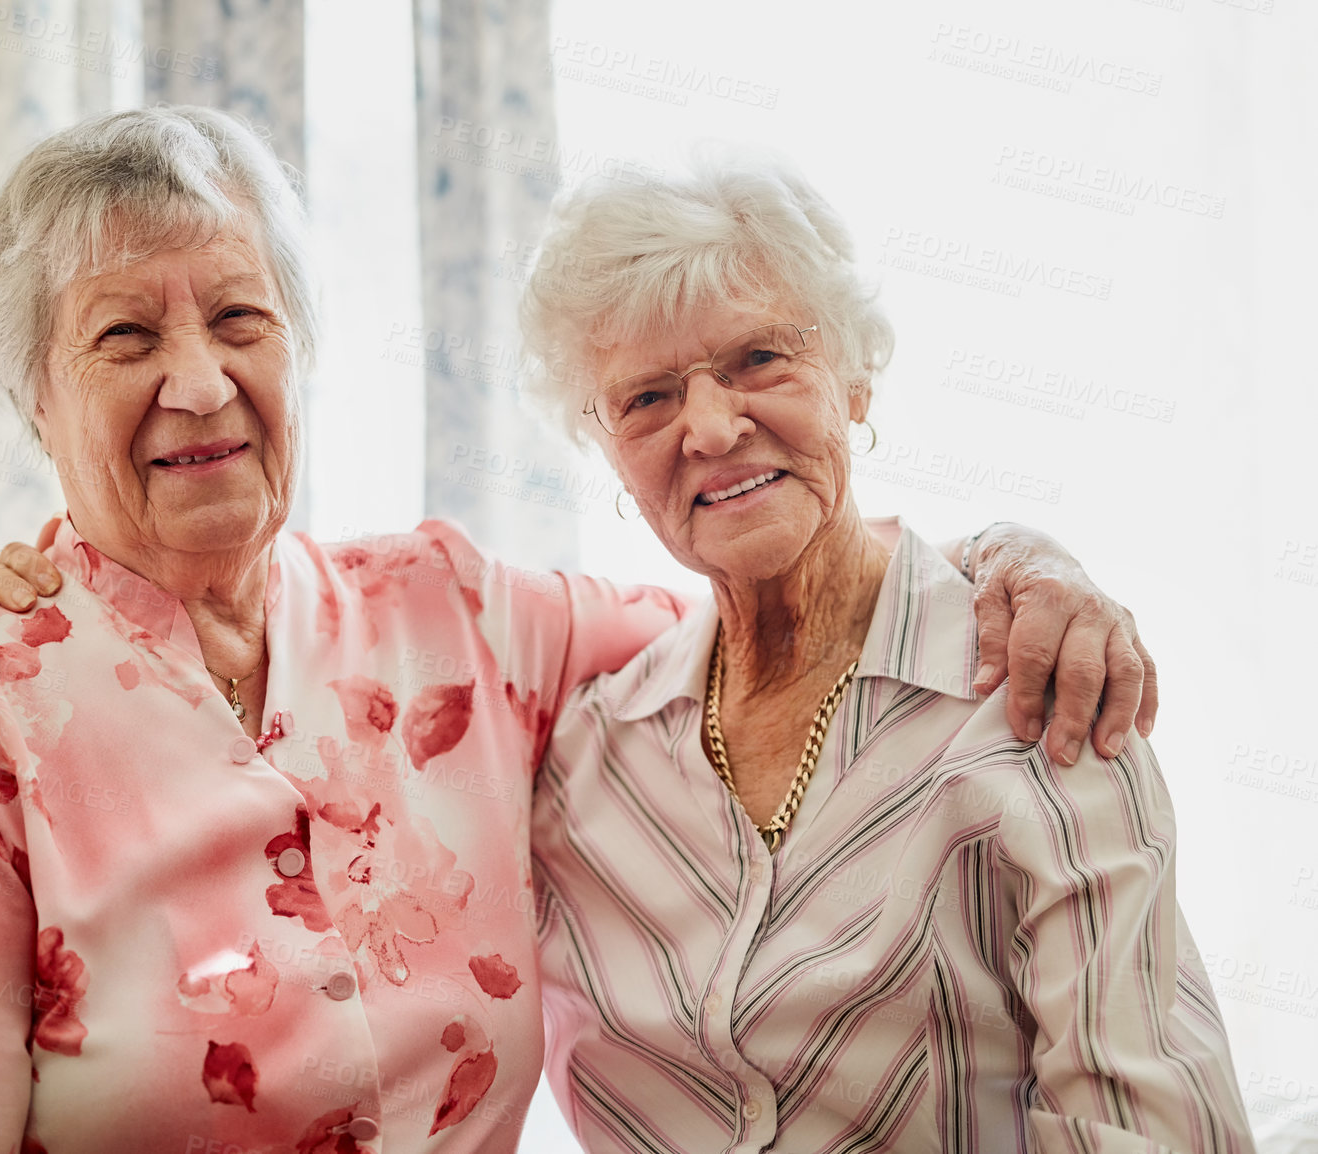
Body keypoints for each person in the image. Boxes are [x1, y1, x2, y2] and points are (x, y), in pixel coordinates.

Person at [0, 106, 1154, 1154]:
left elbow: (778, 594)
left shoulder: (455, 614)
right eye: (125, 338)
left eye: (241, 318)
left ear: (296, 353)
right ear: (33, 399)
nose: (199, 382)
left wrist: (1018, 568)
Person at [512, 156, 1252, 1151]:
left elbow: (1149, 1130)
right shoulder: (582, 766)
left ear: (855, 380)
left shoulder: (1032, 685)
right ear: (603, 445)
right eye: (647, 398)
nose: (712, 425)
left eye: (759, 359)